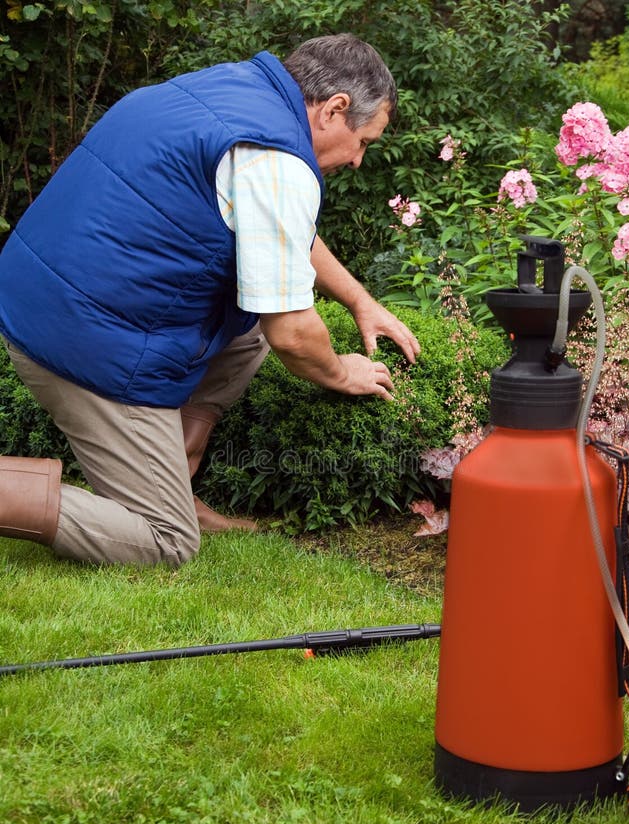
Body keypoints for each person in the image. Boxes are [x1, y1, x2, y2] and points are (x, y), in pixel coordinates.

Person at [0, 33, 420, 567]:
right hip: (84, 338)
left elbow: (279, 232)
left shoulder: (236, 91)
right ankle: (157, 508)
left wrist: (359, 300)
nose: (359, 161)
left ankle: (176, 474)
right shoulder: (277, 158)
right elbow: (292, 332)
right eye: (365, 141)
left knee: (244, 335)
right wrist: (341, 372)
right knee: (166, 544)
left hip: (42, 296)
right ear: (335, 110)